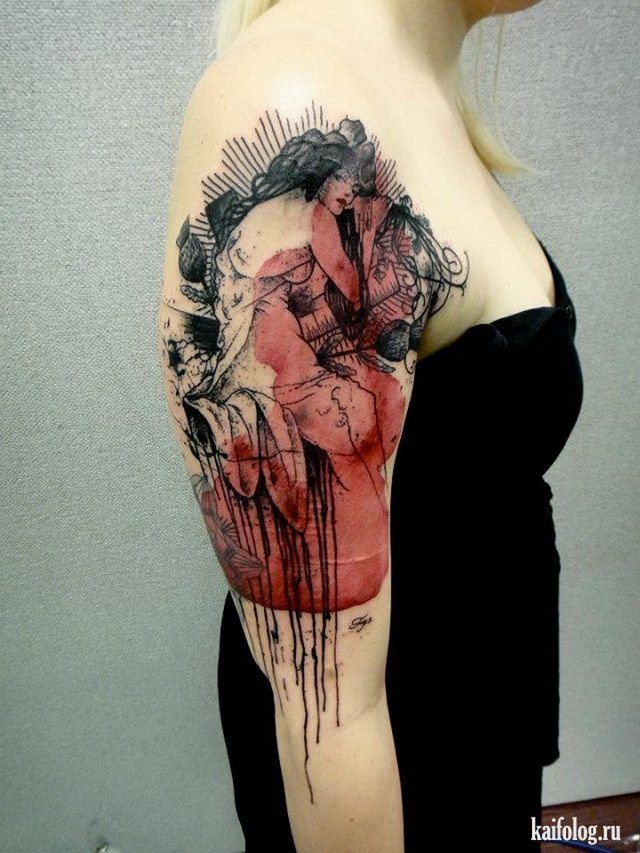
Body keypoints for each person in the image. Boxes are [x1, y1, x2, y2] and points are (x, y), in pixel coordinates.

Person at [157, 1, 584, 850]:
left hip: (485, 708)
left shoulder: (417, 92)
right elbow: (330, 710)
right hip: (390, 770)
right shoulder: (291, 101)